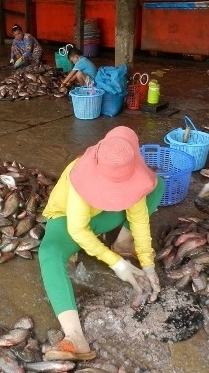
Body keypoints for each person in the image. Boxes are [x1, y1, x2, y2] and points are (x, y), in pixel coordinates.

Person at [39, 126, 164, 361]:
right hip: (68, 220)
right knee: (50, 253)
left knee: (157, 186)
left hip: (106, 216)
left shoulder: (134, 174)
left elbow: (138, 217)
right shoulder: (79, 173)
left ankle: (123, 243)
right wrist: (117, 264)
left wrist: (148, 263)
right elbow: (78, 228)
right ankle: (75, 336)